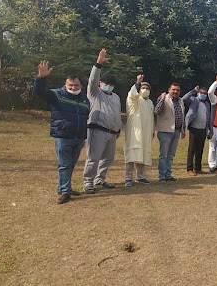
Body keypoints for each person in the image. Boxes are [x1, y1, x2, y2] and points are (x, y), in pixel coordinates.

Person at [33, 61, 90, 204]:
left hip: (78, 137)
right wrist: (41, 78)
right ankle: (65, 191)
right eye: (70, 85)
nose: (73, 87)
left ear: (81, 86)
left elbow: (84, 118)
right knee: (64, 164)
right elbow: (40, 92)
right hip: (63, 136)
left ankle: (63, 187)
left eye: (76, 85)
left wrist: (83, 137)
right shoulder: (58, 95)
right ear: (66, 85)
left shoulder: (84, 99)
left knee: (71, 164)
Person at [83, 49, 122, 194]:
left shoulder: (116, 97)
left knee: (108, 158)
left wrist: (118, 129)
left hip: (112, 133)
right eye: (106, 83)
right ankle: (88, 182)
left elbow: (117, 114)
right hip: (97, 130)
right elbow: (92, 79)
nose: (109, 85)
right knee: (93, 158)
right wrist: (98, 64)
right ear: (101, 83)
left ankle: (100, 178)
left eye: (111, 84)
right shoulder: (95, 93)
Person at [124, 75, 154, 187]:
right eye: (143, 87)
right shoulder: (134, 100)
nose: (145, 90)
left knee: (143, 154)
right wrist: (137, 83)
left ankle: (140, 176)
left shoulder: (150, 102)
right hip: (134, 132)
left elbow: (151, 118)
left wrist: (152, 131)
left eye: (147, 88)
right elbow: (132, 95)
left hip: (146, 132)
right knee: (132, 154)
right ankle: (128, 178)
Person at [154, 83, 186, 182]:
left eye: (177, 90)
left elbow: (182, 115)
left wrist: (183, 129)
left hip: (176, 131)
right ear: (169, 90)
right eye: (173, 90)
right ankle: (162, 176)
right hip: (165, 131)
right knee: (163, 155)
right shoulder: (164, 98)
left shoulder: (180, 101)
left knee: (171, 155)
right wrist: (162, 99)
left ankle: (168, 174)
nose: (175, 92)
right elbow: (157, 111)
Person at [182, 85, 212, 176]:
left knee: (200, 149)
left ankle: (198, 168)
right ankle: (190, 168)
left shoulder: (207, 104)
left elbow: (209, 118)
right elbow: (184, 99)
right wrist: (193, 91)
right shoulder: (193, 100)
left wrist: (211, 130)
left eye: (205, 94)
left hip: (203, 129)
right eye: (202, 93)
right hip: (194, 128)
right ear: (198, 93)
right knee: (192, 149)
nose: (203, 95)